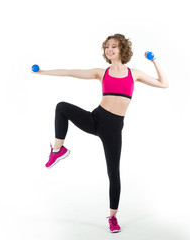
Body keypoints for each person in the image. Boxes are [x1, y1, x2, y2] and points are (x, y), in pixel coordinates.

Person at [34, 33, 169, 233]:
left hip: (113, 129)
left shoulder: (135, 73)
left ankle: (113, 217)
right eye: (107, 47)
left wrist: (154, 60)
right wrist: (43, 72)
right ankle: (57, 150)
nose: (109, 50)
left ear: (122, 48)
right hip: (96, 119)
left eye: (113, 46)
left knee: (113, 174)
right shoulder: (101, 72)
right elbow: (71, 72)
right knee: (61, 107)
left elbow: (163, 83)